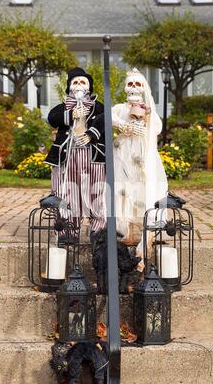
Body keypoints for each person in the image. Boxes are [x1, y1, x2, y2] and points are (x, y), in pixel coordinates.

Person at [112, 68, 168, 266]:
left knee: (142, 187)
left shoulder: (148, 109)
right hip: (123, 153)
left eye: (138, 84)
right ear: (125, 88)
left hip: (142, 154)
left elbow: (158, 128)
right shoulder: (119, 108)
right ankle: (126, 229)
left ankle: (144, 230)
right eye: (130, 84)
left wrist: (147, 117)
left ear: (144, 87)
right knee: (123, 188)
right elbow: (110, 118)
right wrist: (125, 126)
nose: (134, 87)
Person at [44, 67, 106, 235]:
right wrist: (71, 114)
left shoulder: (99, 107)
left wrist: (91, 134)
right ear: (70, 86)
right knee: (66, 194)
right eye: (75, 82)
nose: (79, 84)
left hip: (93, 157)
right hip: (67, 157)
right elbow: (52, 118)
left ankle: (99, 235)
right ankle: (67, 234)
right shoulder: (63, 107)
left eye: (82, 82)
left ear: (89, 87)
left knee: (96, 194)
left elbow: (106, 120)